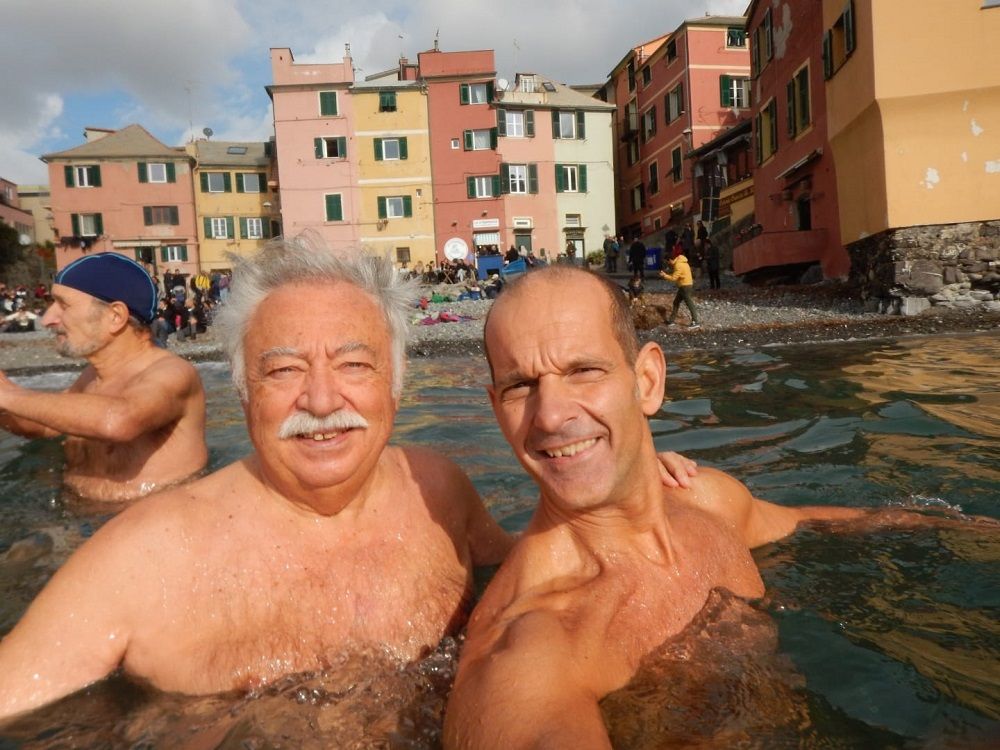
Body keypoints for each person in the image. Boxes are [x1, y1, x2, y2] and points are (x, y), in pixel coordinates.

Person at [443, 267, 886, 749]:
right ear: (497, 410)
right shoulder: (526, 650)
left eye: (584, 371)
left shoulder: (707, 500)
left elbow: (807, 521)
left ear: (647, 380)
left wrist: (944, 524)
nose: (550, 415)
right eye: (520, 386)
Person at [0, 253, 207, 502]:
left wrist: (8, 395)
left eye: (63, 305)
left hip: (150, 519)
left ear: (115, 316)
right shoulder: (91, 376)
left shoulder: (173, 373)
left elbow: (118, 421)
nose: (47, 320)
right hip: (75, 515)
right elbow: (45, 425)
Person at [660, 250, 700, 328]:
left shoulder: (678, 265)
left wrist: (664, 275)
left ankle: (695, 321)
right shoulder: (682, 261)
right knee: (676, 302)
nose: (668, 263)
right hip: (685, 285)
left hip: (685, 286)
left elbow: (674, 278)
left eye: (667, 262)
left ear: (670, 260)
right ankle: (671, 321)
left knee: (689, 304)